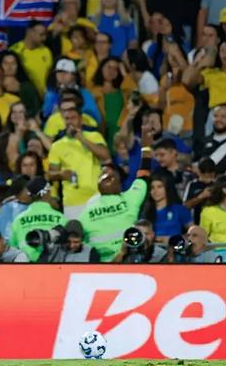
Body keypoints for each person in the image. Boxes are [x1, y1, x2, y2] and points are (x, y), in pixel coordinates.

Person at [79, 130, 153, 262]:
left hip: (128, 259)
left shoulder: (130, 197)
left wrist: (146, 148)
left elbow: (143, 176)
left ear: (119, 184)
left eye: (111, 176)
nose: (105, 176)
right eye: (102, 175)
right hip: (98, 266)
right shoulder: (89, 206)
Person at [47, 105, 110, 219]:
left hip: (96, 197)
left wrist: (81, 138)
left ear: (81, 119)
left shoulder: (94, 136)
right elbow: (50, 174)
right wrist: (61, 174)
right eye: (67, 118)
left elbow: (105, 156)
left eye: (73, 118)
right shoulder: (57, 146)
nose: (70, 121)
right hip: (73, 202)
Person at [8, 177, 66, 262]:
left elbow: (12, 247)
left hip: (26, 269)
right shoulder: (60, 218)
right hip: (54, 268)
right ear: (46, 193)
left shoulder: (18, 221)